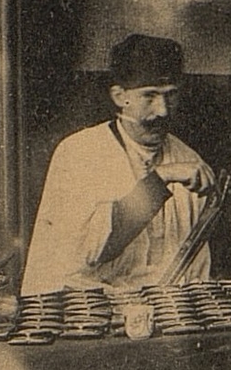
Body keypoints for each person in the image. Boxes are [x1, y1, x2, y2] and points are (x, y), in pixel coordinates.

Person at [21, 34, 216, 295]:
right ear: (119, 96)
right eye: (150, 96)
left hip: (165, 313)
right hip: (82, 307)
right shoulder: (78, 153)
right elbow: (95, 250)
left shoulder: (188, 159)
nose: (163, 111)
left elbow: (192, 264)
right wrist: (160, 178)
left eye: (171, 96)